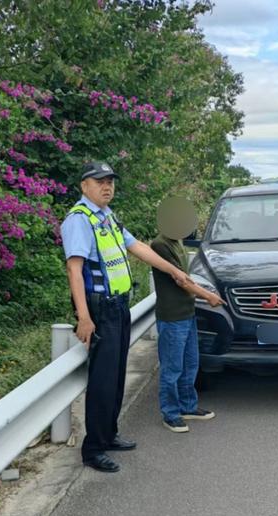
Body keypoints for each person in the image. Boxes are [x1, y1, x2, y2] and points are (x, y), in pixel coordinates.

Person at [60, 162, 191, 473]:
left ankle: (109, 435)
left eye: (110, 182)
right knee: (103, 381)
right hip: (99, 310)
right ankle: (93, 449)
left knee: (117, 375)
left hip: (118, 306)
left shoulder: (108, 217)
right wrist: (84, 317)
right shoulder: (79, 221)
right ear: (84, 186)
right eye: (100, 181)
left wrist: (173, 270)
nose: (107, 187)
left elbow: (138, 248)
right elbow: (74, 269)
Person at [150, 196, 225, 433]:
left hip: (187, 312)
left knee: (191, 363)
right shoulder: (160, 245)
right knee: (172, 367)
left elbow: (187, 276)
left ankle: (188, 406)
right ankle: (170, 413)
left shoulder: (178, 241)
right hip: (172, 316)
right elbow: (181, 280)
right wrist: (208, 296)